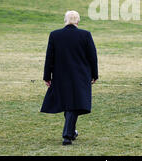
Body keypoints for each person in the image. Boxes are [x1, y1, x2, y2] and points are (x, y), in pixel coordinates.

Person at [40, 10, 98, 146]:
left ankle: (71, 132)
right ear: (78, 21)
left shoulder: (55, 35)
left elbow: (50, 57)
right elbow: (92, 57)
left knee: (69, 103)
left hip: (61, 75)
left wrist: (47, 76)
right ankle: (67, 135)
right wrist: (94, 74)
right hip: (81, 75)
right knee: (73, 104)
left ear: (65, 20)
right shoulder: (85, 35)